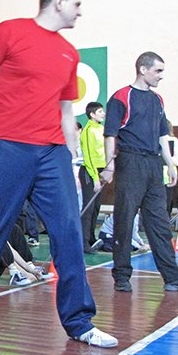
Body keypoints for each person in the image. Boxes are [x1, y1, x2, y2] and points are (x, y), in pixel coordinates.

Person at [0, 0, 117, 347]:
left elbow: (66, 110)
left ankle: (80, 322)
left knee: (68, 234)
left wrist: (71, 160)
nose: (80, 12)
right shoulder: (9, 32)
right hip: (8, 148)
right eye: (77, 4)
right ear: (59, 1)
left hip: (52, 153)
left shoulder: (69, 53)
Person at [101, 51, 178, 294]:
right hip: (130, 161)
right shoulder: (121, 97)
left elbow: (162, 135)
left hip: (153, 164)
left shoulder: (158, 100)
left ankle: (173, 277)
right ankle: (121, 275)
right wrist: (109, 166)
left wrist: (169, 164)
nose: (161, 76)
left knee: (159, 222)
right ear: (143, 69)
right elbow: (110, 134)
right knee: (125, 220)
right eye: (158, 71)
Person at [79, 102, 106, 253]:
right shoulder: (88, 130)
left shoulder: (101, 129)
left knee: (96, 207)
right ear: (92, 114)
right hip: (89, 172)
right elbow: (88, 156)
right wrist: (95, 177)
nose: (103, 114)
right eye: (100, 111)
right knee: (88, 207)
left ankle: (91, 238)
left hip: (101, 171)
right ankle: (83, 242)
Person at [163, 120, 178, 215]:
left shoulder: (173, 140)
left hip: (168, 176)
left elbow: (177, 160)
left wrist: (165, 158)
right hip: (154, 175)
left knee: (167, 201)